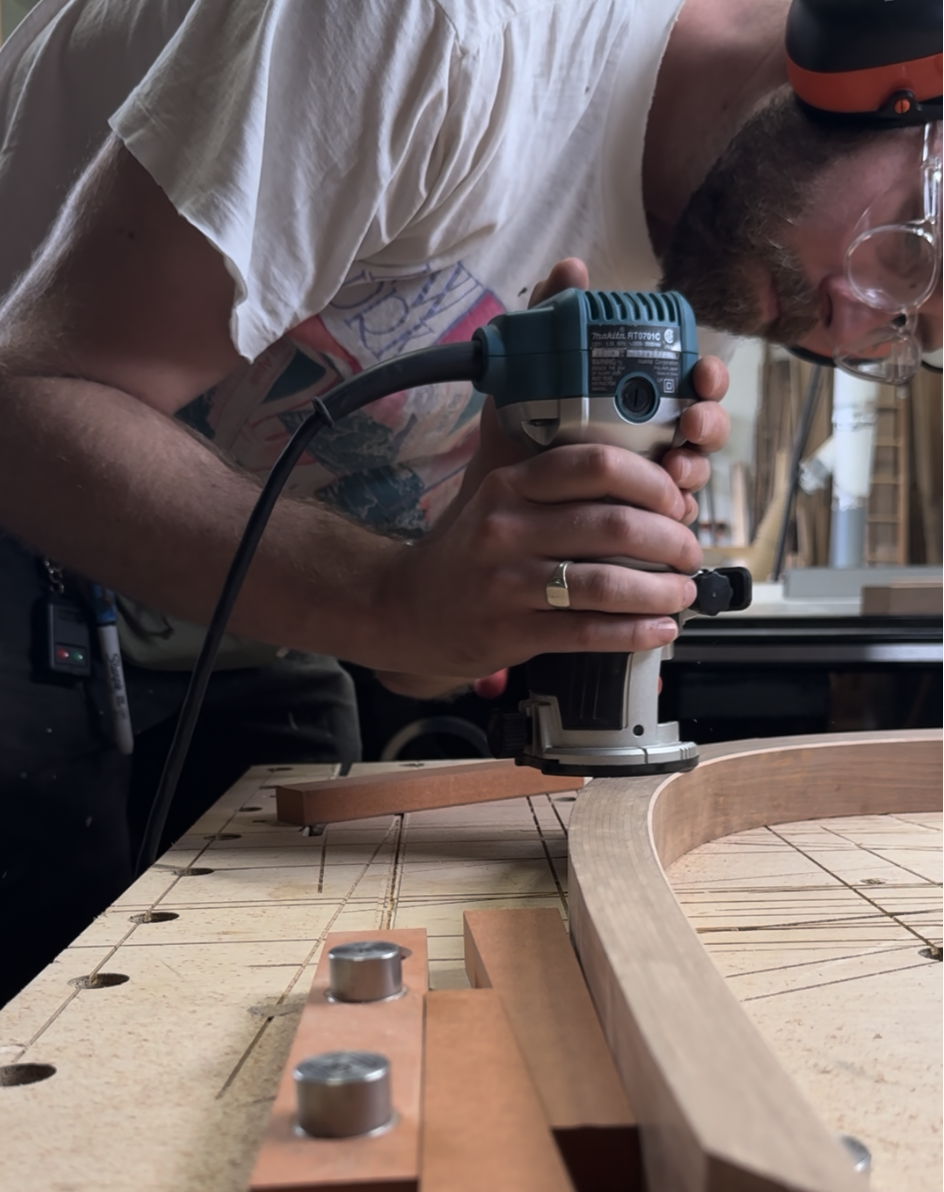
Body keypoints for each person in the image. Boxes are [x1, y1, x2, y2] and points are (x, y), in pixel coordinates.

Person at [0, 0, 939, 1000]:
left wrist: (471, 610)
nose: (852, 322)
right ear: (882, 40)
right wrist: (389, 602)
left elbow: (404, 648)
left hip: (234, 612)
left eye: (910, 332)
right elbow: (29, 408)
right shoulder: (435, 31)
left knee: (267, 972)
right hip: (28, 522)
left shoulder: (671, 304)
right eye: (912, 252)